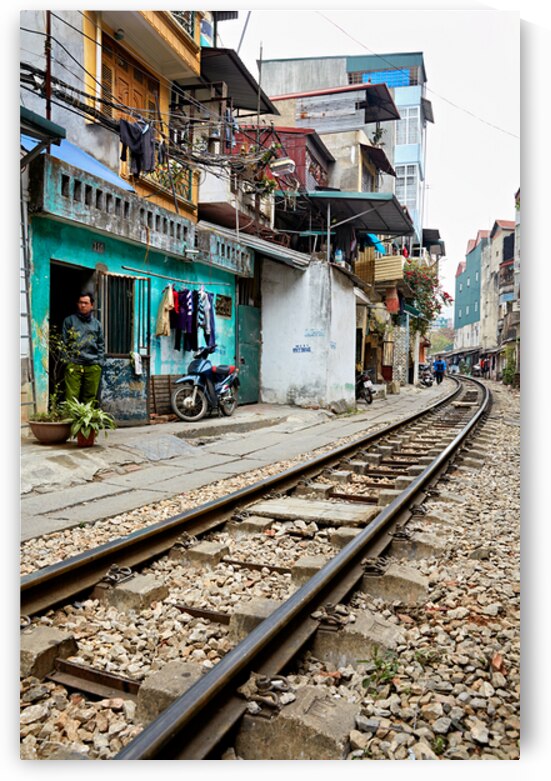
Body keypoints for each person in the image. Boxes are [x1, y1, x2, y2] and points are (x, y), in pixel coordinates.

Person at [62, 292, 105, 405]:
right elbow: (64, 341)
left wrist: (99, 362)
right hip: (74, 363)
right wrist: (68, 361)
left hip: (92, 364)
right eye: (80, 303)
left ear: (92, 305)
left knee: (90, 397)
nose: (83, 305)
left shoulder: (97, 324)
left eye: (86, 303)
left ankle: (86, 421)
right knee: (71, 396)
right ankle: (71, 421)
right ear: (77, 304)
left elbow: (101, 344)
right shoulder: (69, 321)